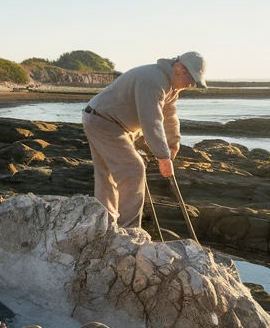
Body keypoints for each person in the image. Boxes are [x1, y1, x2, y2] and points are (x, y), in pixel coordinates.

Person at [81, 52, 207, 230]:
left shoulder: (170, 86)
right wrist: (163, 157)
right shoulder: (153, 80)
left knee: (109, 172)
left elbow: (169, 114)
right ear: (179, 68)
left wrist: (173, 142)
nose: (192, 85)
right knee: (133, 169)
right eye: (192, 79)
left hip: (114, 123)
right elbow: (151, 120)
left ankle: (107, 225)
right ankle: (129, 231)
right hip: (104, 121)